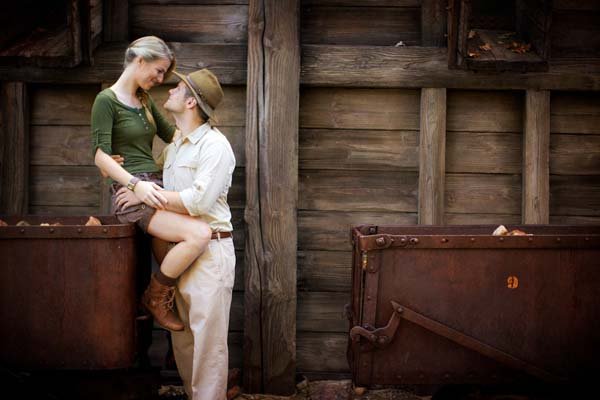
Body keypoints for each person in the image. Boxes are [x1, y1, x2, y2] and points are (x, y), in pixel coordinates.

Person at [116, 68, 236, 399]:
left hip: (210, 252)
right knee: (184, 342)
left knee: (208, 348)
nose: (170, 91)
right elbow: (150, 179)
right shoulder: (176, 146)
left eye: (179, 88)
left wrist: (143, 193)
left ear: (191, 103)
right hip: (176, 252)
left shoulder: (215, 146)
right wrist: (123, 170)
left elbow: (198, 201)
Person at [91, 36, 213, 332]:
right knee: (194, 237)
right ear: (140, 61)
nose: (160, 79)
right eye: (158, 71)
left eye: (164, 74)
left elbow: (172, 135)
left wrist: (207, 140)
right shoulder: (106, 101)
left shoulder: (143, 100)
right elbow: (100, 157)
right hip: (136, 192)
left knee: (175, 273)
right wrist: (135, 186)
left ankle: (178, 343)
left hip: (157, 188)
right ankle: (153, 301)